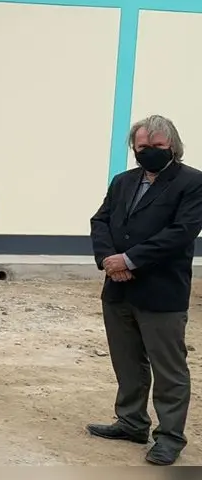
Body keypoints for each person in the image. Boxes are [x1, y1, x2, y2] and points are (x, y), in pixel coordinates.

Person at [88, 115, 202, 467]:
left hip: (161, 292)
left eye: (157, 147)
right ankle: (132, 422)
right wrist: (109, 259)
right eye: (142, 148)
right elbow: (101, 220)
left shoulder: (192, 183)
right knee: (127, 362)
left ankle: (169, 437)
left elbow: (180, 233)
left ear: (173, 146)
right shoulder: (123, 181)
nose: (148, 153)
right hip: (118, 290)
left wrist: (130, 259)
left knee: (169, 369)